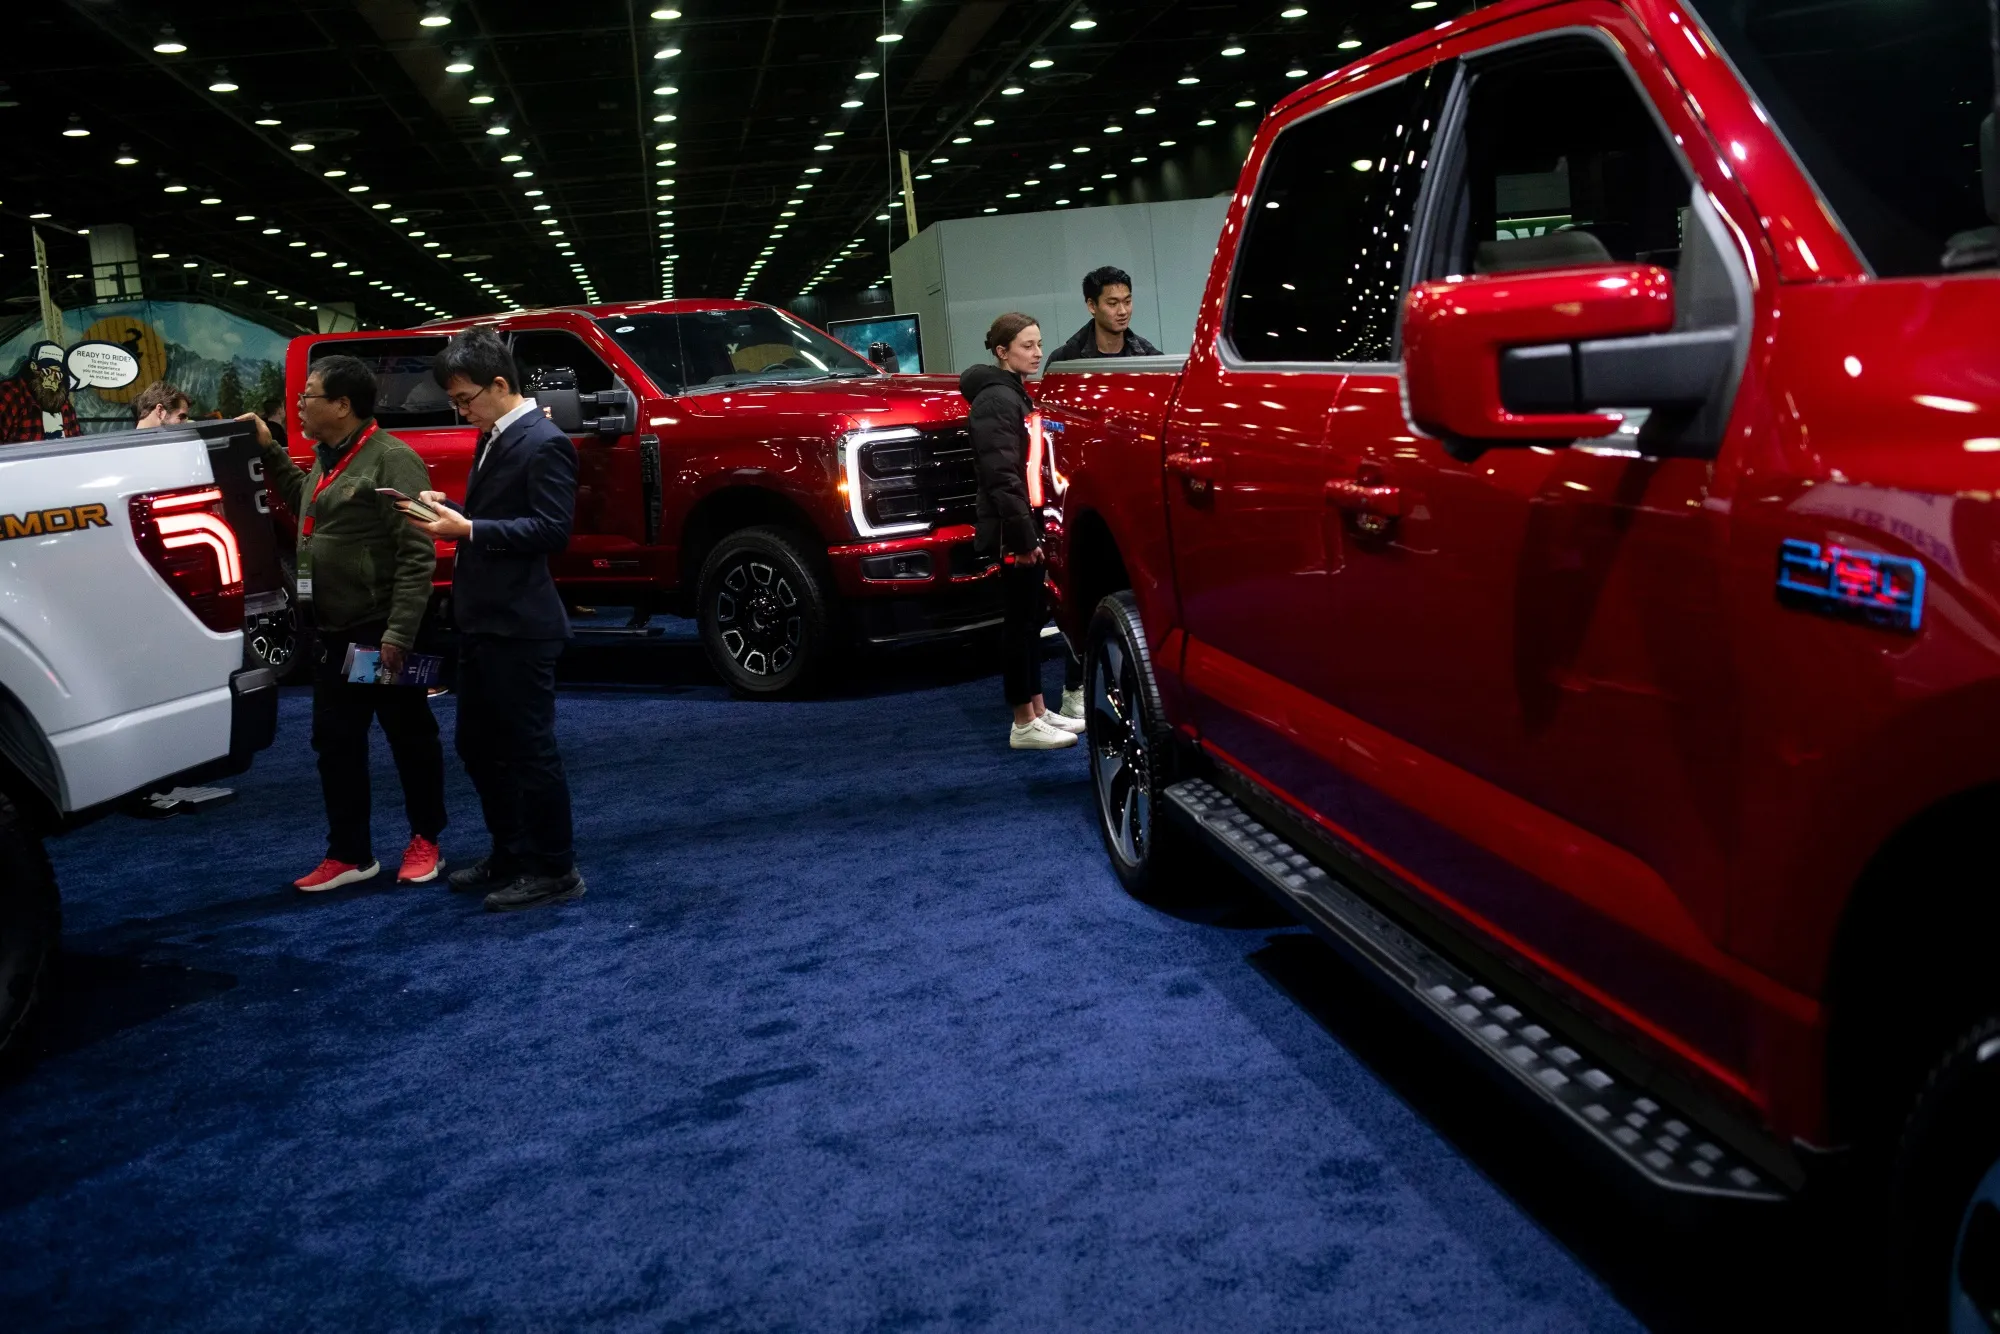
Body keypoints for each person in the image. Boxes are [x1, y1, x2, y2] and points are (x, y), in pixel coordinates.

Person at [237, 357, 448, 892]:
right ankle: (351, 853)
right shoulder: (328, 460)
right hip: (333, 635)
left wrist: (399, 635)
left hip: (382, 633)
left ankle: (427, 840)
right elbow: (301, 500)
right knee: (335, 744)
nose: (300, 406)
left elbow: (417, 555)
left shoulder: (392, 460)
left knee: (408, 736)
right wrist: (269, 448)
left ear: (342, 405)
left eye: (309, 397)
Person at [405, 328, 584, 913]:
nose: (461, 410)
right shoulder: (498, 435)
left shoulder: (544, 440)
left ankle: (555, 869)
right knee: (478, 746)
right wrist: (451, 512)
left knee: (529, 750)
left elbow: (551, 532)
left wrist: (470, 529)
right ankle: (512, 851)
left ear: (500, 384)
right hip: (485, 619)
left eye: (464, 399)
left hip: (521, 624)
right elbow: (500, 517)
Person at [962, 313, 1086, 751]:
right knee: (1019, 624)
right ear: (1002, 351)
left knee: (1030, 621)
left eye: (1038, 344)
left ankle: (1036, 709)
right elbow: (1002, 478)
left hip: (1024, 525)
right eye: (1027, 345)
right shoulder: (997, 400)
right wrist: (1023, 538)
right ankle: (1023, 721)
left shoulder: (1013, 394)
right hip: (1012, 531)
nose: (1037, 352)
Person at [1049, 266, 1162, 362]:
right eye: (1113, 304)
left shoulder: (1149, 357)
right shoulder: (1065, 360)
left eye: (1127, 302)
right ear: (1092, 306)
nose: (1123, 311)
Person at [0, 343, 82, 443]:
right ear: (34, 367)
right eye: (47, 372)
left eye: (57, 375)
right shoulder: (11, 394)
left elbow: (77, 441)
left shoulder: (61, 401)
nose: (52, 379)